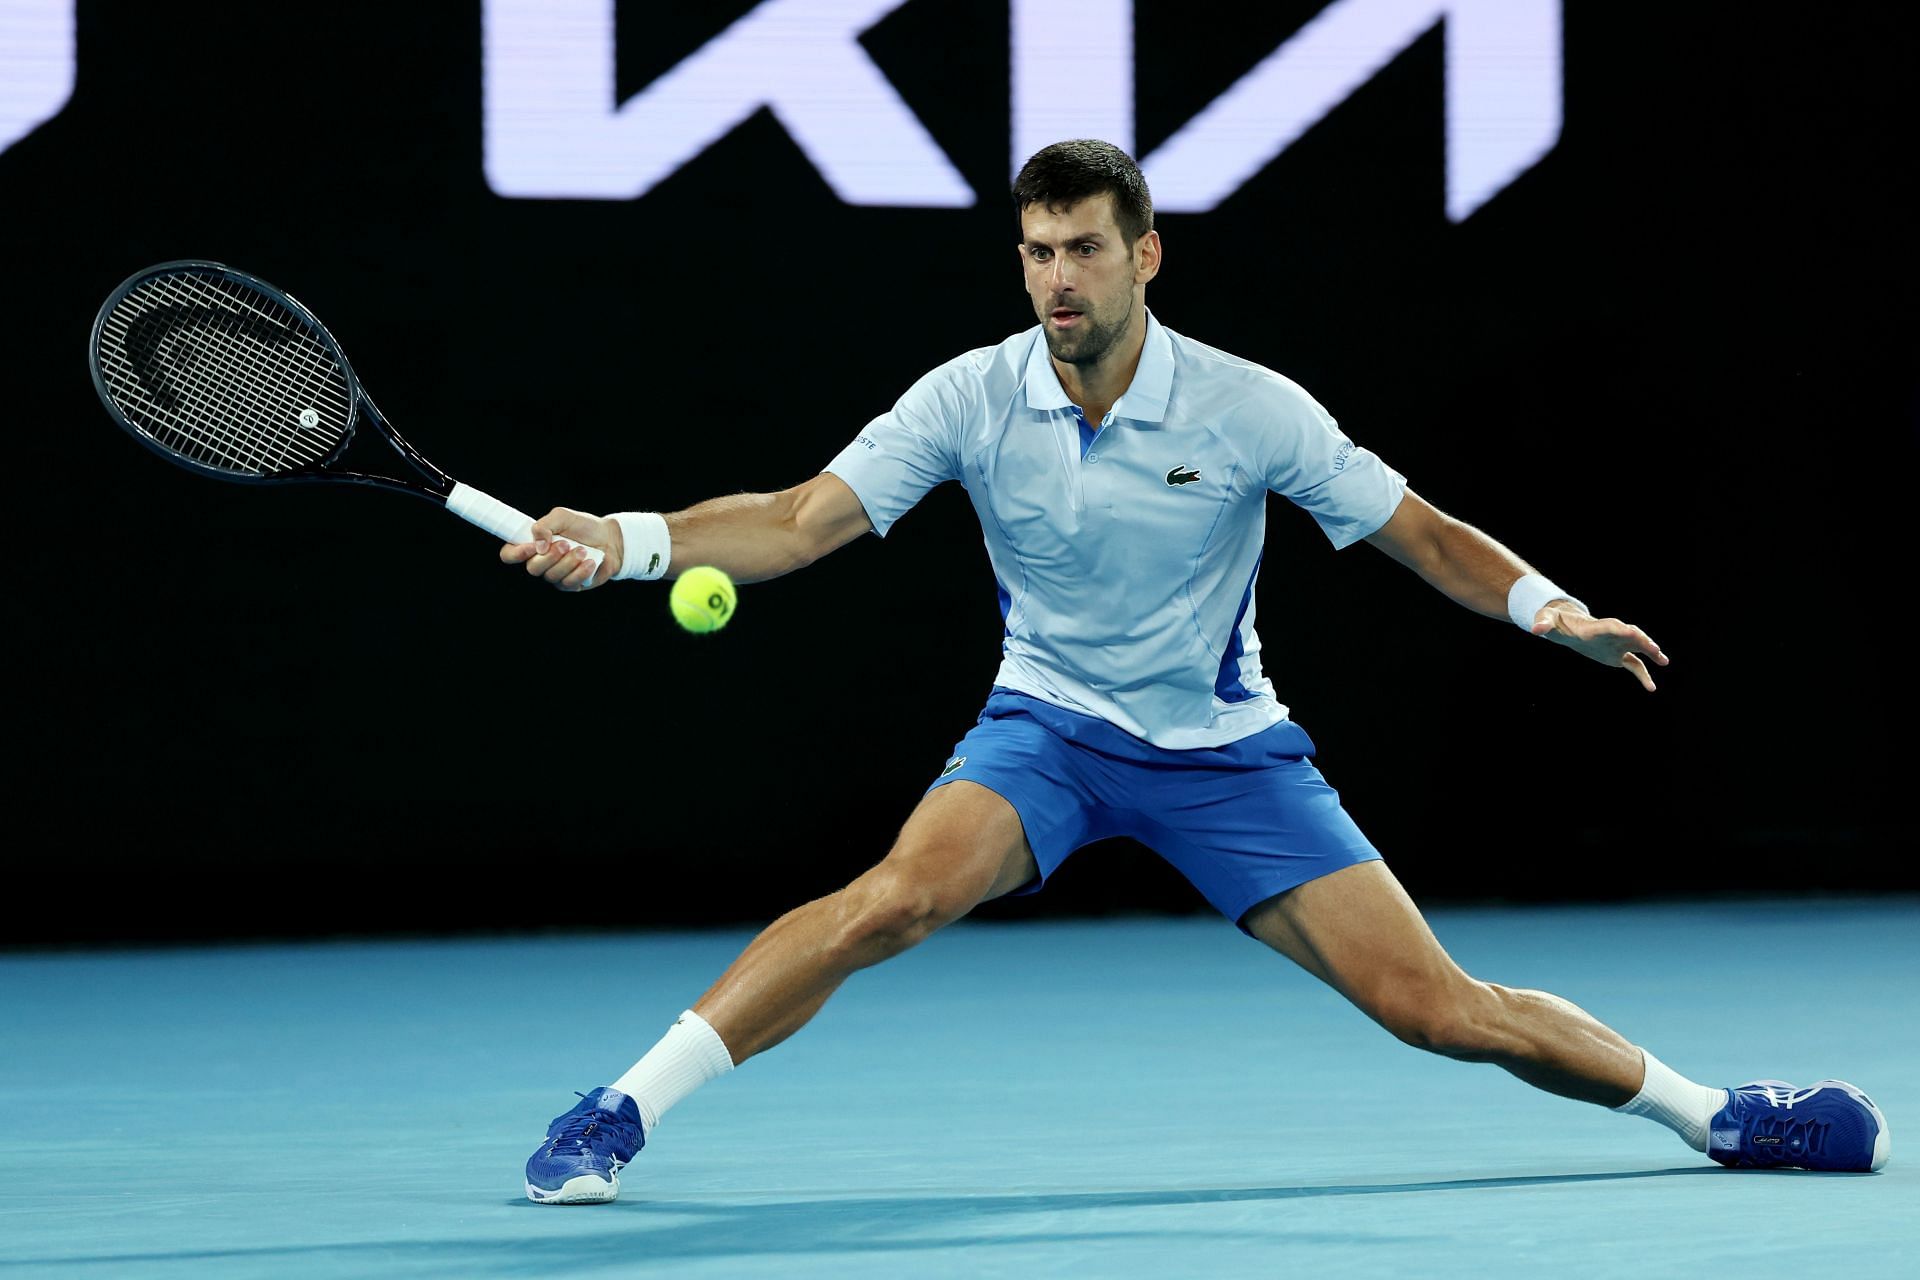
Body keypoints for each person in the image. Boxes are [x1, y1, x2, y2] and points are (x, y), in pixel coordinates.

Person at [503, 140, 1888, 1203]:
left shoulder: (1247, 406)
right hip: (1047, 729)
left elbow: (1414, 533)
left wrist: (1544, 607)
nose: (1056, 279)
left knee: (1438, 1011)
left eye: (1083, 251)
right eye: (1037, 251)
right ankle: (618, 1112)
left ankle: (1719, 1113)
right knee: (890, 902)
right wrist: (627, 541)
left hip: (1228, 752)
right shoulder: (971, 396)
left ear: (1145, 256)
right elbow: (802, 519)